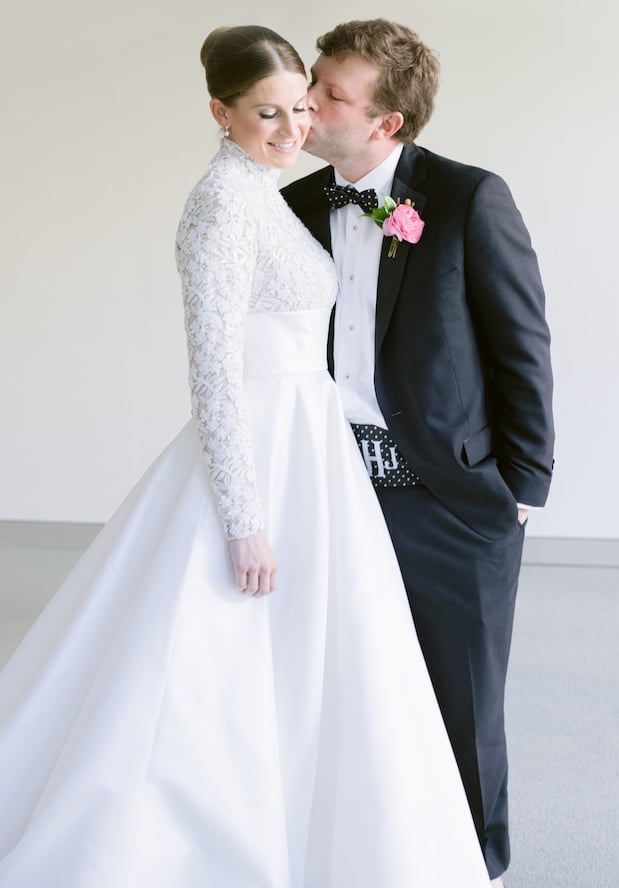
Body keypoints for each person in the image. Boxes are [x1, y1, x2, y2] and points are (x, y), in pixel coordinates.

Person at [0, 25, 491, 888]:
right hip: (261, 450)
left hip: (312, 444)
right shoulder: (223, 202)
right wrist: (244, 518)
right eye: (267, 112)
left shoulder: (269, 189)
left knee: (318, 656)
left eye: (302, 107)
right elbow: (215, 372)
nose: (292, 128)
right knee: (216, 669)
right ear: (219, 112)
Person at [282, 18, 555, 886]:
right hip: (330, 489)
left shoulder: (470, 198)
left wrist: (522, 485)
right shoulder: (291, 208)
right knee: (341, 686)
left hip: (450, 496)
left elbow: (523, 346)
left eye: (331, 94)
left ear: (385, 124)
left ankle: (478, 865)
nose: (308, 102)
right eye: (312, 79)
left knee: (462, 698)